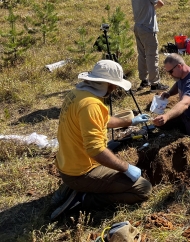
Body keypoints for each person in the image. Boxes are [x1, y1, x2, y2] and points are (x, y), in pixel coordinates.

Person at [50, 60, 152, 220]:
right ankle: (82, 199)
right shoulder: (91, 105)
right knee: (143, 188)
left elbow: (101, 121)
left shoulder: (77, 95)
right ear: (106, 83)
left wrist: (131, 121)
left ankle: (73, 188)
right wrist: (126, 168)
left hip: (68, 165)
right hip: (82, 172)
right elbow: (95, 150)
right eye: (114, 85)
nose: (116, 89)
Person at [131, 0, 168, 91]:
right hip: (148, 28)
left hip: (138, 27)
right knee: (152, 56)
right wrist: (153, 8)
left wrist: (149, 8)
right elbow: (161, 3)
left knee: (142, 55)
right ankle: (155, 84)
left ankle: (144, 80)